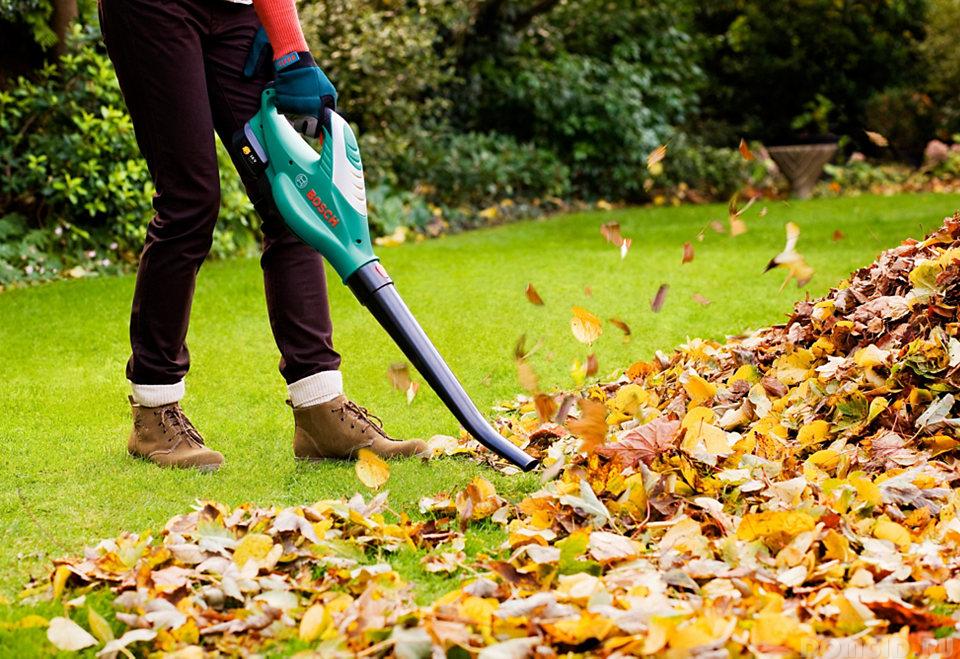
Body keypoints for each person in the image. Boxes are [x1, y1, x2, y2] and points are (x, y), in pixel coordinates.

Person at [97, 0, 427, 471]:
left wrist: (294, 54)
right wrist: (291, 49)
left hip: (234, 11)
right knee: (189, 200)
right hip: (154, 9)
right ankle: (153, 413)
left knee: (294, 200)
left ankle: (320, 408)